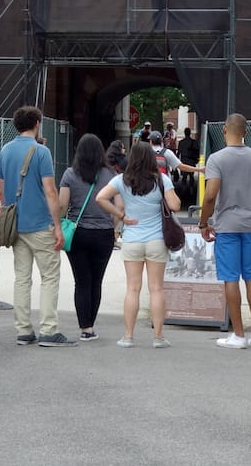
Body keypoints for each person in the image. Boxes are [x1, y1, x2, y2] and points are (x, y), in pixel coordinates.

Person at [0, 106, 74, 347]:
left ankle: (23, 330)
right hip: (40, 223)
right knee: (49, 277)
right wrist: (57, 226)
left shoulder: (4, 151)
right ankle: (49, 330)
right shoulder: (41, 152)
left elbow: (1, 190)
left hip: (16, 223)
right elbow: (51, 191)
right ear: (37, 123)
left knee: (22, 278)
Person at [96, 140, 181, 348]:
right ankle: (159, 337)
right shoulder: (161, 180)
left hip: (132, 239)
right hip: (156, 240)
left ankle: (128, 336)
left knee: (132, 288)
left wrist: (121, 216)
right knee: (156, 289)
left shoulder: (121, 180)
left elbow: (100, 198)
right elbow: (175, 205)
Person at [199, 113, 251, 349]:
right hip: (250, 224)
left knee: (231, 278)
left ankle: (238, 334)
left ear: (224, 130)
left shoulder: (217, 159)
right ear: (246, 133)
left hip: (227, 225)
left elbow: (210, 195)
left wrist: (203, 222)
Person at [57, 133, 116, 342]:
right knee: (96, 281)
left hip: (78, 232)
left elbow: (62, 204)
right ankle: (91, 322)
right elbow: (118, 206)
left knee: (81, 281)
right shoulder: (110, 175)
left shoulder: (70, 174)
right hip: (104, 233)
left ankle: (86, 327)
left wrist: (58, 224)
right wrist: (115, 228)